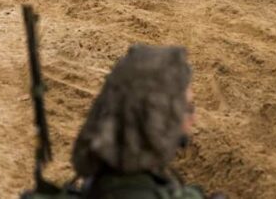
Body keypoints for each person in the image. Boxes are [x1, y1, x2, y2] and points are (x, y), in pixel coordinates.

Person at [72, 45, 206, 199]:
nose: (193, 118)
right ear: (157, 118)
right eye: (187, 108)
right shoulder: (134, 191)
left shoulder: (103, 178)